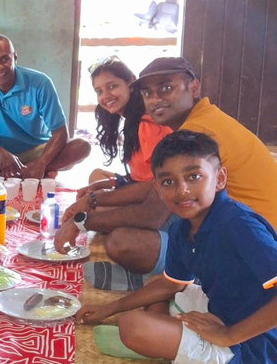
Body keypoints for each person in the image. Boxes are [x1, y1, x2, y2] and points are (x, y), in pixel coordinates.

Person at [56, 57, 277, 291]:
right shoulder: (201, 120)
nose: (156, 99)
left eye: (166, 88)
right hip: (231, 225)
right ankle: (168, 278)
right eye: (148, 93)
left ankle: (182, 281)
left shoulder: (199, 131)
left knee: (122, 242)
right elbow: (155, 185)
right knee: (118, 217)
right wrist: (93, 200)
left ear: (193, 88)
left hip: (254, 250)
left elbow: (150, 215)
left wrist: (81, 223)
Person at [76, 131, 277, 364]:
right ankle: (168, 338)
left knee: (132, 326)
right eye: (168, 182)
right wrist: (108, 308)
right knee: (157, 284)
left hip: (253, 346)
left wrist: (228, 335)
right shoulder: (181, 229)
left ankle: (165, 341)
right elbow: (173, 283)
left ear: (220, 179)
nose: (182, 190)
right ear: (158, 190)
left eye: (194, 176)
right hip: (219, 308)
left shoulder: (238, 225)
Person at [0, 34, 90, 181]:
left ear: (15, 58)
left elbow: (60, 132)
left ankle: (4, 174)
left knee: (82, 147)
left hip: (38, 149)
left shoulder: (40, 83)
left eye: (4, 59)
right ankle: (32, 172)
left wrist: (42, 161)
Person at [62, 57, 172, 224]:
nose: (105, 96)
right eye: (99, 91)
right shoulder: (132, 120)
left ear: (131, 84)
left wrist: (95, 198)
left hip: (157, 200)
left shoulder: (146, 124)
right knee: (96, 177)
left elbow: (156, 185)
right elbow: (137, 177)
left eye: (112, 86)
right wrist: (102, 186)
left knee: (94, 209)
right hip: (140, 186)